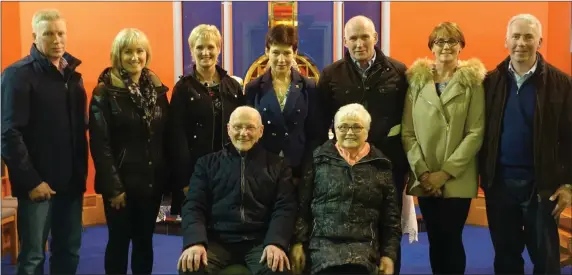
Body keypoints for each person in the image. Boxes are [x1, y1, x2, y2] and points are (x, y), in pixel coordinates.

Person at [314, 15, 409, 274]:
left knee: (389, 227)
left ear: (375, 38)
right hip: (343, 168)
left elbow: (408, 121)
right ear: (345, 41)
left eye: (365, 36)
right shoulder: (330, 74)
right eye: (353, 38)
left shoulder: (399, 72)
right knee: (348, 227)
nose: (359, 43)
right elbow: (320, 124)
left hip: (387, 165)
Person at [479, 13, 572, 275]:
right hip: (500, 185)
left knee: (546, 260)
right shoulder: (490, 82)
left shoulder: (561, 84)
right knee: (506, 257)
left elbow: (569, 138)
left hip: (542, 188)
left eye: (528, 37)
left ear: (539, 41)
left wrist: (568, 185)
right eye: (516, 36)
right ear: (506, 41)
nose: (521, 43)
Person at [1, 9, 88, 275]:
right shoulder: (18, 75)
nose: (57, 39)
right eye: (48, 33)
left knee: (68, 252)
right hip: (38, 188)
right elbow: (8, 133)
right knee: (33, 258)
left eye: (61, 33)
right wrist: (31, 181)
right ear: (35, 36)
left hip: (71, 184)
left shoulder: (73, 76)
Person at [401, 22, 485, 274]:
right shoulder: (417, 82)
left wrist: (444, 173)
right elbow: (408, 131)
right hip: (425, 177)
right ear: (431, 47)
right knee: (435, 239)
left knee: (451, 238)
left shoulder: (473, 83)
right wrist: (424, 173)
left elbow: (476, 132)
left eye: (452, 41)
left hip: (456, 177)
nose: (446, 46)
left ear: (461, 47)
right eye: (440, 41)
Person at [177, 106, 296, 275]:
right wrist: (195, 242)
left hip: (260, 242)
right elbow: (193, 205)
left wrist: (276, 243)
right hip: (217, 241)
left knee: (278, 270)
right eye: (237, 127)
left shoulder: (278, 166)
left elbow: (285, 207)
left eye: (250, 128)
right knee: (190, 267)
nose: (243, 133)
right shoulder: (206, 164)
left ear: (261, 131)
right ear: (228, 129)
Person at [88, 28, 170, 274]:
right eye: (128, 52)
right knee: (119, 243)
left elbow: (163, 137)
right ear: (117, 55)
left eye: (139, 51)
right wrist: (114, 188)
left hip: (150, 184)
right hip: (120, 186)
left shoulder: (157, 90)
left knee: (145, 242)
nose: (135, 57)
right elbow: (100, 146)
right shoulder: (104, 93)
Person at [290, 103, 401, 275]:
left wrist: (389, 255)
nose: (349, 132)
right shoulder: (318, 159)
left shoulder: (381, 164)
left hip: (364, 244)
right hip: (321, 244)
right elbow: (302, 208)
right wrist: (297, 243)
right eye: (343, 127)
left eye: (357, 127)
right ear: (334, 129)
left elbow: (391, 218)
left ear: (367, 131)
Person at [168, 24, 244, 216]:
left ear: (219, 49)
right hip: (195, 172)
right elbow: (177, 138)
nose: (205, 52)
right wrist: (184, 180)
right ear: (192, 51)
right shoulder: (183, 89)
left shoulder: (233, 86)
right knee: (197, 231)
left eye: (210, 47)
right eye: (199, 47)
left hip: (229, 172)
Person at [245, 24, 317, 179]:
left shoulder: (308, 87)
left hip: (298, 169)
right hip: (263, 168)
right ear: (267, 51)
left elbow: (314, 133)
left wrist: (308, 169)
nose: (281, 59)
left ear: (295, 53)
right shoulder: (253, 88)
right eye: (276, 52)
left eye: (287, 53)